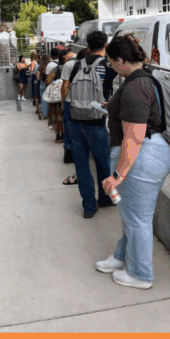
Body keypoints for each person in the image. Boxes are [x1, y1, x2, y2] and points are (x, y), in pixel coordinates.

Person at [96, 34, 170, 290]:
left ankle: (141, 274)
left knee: (137, 219)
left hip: (142, 157)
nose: (110, 67)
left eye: (110, 63)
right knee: (131, 215)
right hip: (153, 152)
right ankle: (122, 258)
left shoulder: (134, 87)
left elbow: (134, 137)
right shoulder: (145, 78)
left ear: (121, 61)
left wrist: (117, 176)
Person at [63, 31, 116, 218]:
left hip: (75, 121)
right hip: (96, 121)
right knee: (103, 163)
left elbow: (69, 89)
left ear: (87, 45)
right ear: (105, 45)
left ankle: (88, 206)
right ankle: (104, 198)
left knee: (82, 166)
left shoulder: (78, 65)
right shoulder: (108, 66)